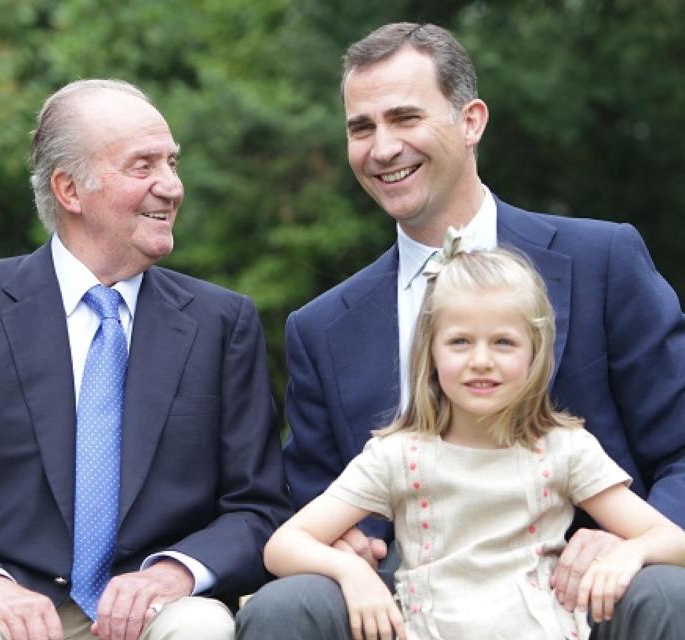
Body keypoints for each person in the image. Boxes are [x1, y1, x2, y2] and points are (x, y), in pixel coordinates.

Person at [237, 22, 685, 640]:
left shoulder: (604, 260)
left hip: (586, 585)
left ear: (471, 121)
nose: (382, 147)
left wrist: (627, 541)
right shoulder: (321, 327)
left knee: (673, 589)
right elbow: (311, 499)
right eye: (361, 128)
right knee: (286, 609)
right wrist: (348, 552)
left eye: (404, 118)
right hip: (403, 598)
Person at [0, 79, 290, 640]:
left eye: (172, 163)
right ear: (70, 190)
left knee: (201, 629)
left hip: (162, 610)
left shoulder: (223, 322)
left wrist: (174, 572)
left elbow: (258, 508)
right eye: (143, 165)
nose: (171, 186)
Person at [262, 239, 685, 640]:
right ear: (431, 352)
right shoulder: (399, 455)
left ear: (535, 354)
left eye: (503, 342)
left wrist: (631, 553)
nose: (481, 361)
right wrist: (350, 573)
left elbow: (672, 539)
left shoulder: (564, 449)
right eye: (460, 342)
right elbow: (284, 545)